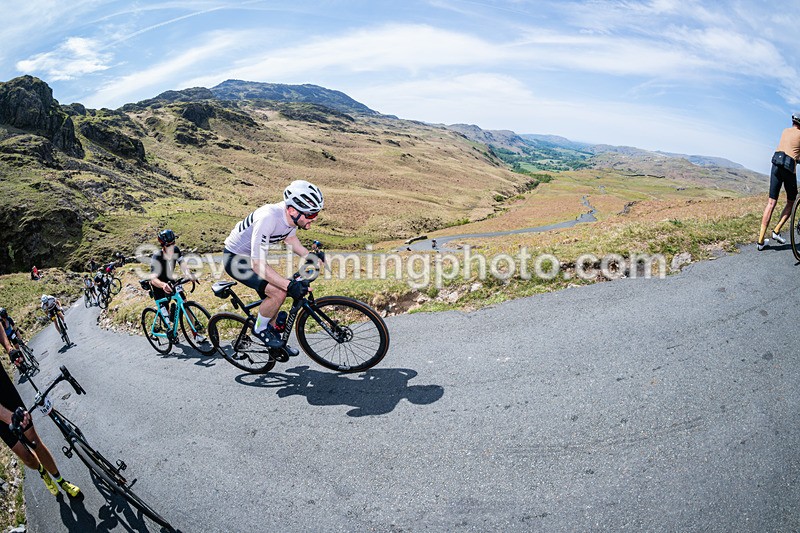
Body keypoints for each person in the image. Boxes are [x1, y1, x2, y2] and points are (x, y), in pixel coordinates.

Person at [222, 180, 325, 352]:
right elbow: (257, 264)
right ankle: (260, 329)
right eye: (311, 215)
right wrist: (288, 286)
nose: (313, 219)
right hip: (236, 260)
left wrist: (310, 257)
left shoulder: (290, 219)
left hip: (254, 258)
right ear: (292, 210)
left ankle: (274, 337)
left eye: (316, 214)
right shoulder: (268, 218)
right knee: (279, 291)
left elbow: (290, 238)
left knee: (278, 294)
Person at [0, 326, 81, 497]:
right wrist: (9, 417)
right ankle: (42, 472)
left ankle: (61, 481)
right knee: (27, 457)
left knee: (33, 440)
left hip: (3, 389)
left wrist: (9, 348)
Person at [758, 112, 800, 250]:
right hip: (788, 168)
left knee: (771, 203)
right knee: (791, 202)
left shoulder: (785, 131)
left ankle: (760, 241)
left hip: (776, 163)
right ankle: (776, 231)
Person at [148, 229, 199, 331]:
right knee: (166, 315)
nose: (171, 247)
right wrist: (162, 285)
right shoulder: (157, 257)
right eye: (168, 245)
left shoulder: (176, 250)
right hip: (159, 286)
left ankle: (195, 333)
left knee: (185, 304)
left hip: (171, 281)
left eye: (173, 243)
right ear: (162, 245)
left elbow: (182, 264)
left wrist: (189, 274)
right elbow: (153, 279)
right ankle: (166, 322)